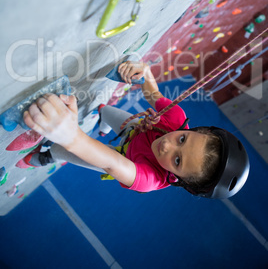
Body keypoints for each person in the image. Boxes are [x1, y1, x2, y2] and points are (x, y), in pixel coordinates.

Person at [23, 61, 249, 198]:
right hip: (135, 132)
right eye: (182, 139)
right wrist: (144, 72)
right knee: (106, 110)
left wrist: (71, 137)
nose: (167, 145)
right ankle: (102, 125)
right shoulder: (176, 118)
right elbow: (153, 93)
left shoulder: (150, 181)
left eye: (177, 160)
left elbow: (113, 163)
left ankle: (47, 157)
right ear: (194, 130)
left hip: (122, 158)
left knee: (66, 152)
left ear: (182, 181)